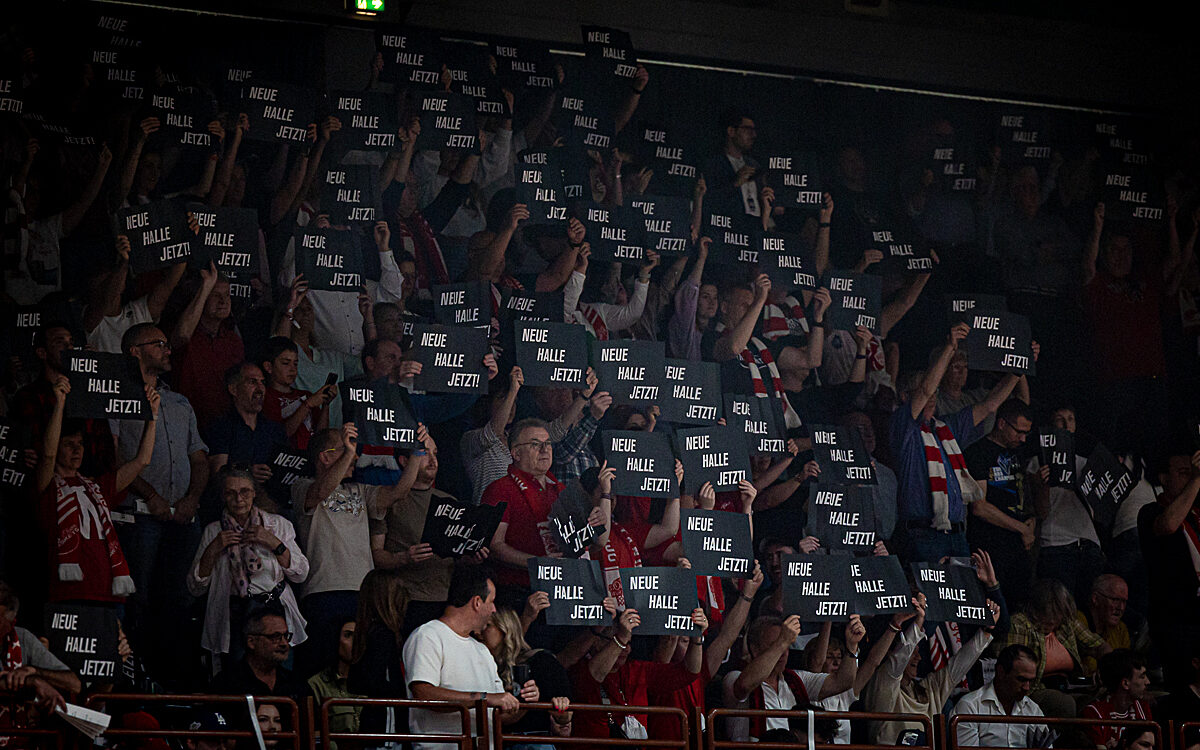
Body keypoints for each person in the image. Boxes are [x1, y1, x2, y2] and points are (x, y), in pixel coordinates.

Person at [115, 322, 210, 679]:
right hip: (139, 514)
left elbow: (199, 457)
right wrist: (152, 496)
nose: (168, 349)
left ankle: (173, 679)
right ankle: (137, 675)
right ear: (135, 351)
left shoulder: (179, 401)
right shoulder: (116, 396)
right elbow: (112, 458)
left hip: (183, 516)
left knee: (180, 599)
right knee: (139, 598)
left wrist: (193, 498)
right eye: (159, 343)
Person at [293, 423, 422, 677]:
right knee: (322, 668)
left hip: (362, 592)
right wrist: (348, 453)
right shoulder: (300, 486)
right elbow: (319, 491)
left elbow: (398, 492)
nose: (356, 456)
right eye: (345, 449)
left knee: (364, 668)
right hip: (322, 591)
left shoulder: (360, 490)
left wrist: (417, 454)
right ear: (325, 456)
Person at [890, 323, 1020, 562]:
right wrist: (949, 348)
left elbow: (990, 406)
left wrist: (1018, 368)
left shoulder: (945, 429)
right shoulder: (904, 427)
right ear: (906, 397)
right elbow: (929, 388)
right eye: (924, 393)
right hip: (922, 535)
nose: (932, 397)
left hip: (958, 534)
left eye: (935, 395)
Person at [35, 374, 156, 602]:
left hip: (108, 592)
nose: (77, 450)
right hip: (68, 594)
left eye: (80, 444)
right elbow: (48, 455)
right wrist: (60, 403)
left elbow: (142, 461)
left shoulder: (96, 487)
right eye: (69, 445)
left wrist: (153, 416)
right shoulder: (47, 485)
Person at [403, 567, 539, 750]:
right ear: (476, 602)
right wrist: (484, 698)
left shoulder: (481, 650)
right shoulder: (428, 635)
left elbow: (498, 715)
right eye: (491, 602)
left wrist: (523, 703)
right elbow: (424, 694)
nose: (493, 609)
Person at [188, 466, 309, 667]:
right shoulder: (214, 531)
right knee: (238, 675)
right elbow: (195, 587)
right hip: (235, 614)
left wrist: (273, 542)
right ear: (223, 496)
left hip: (273, 608)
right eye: (231, 493)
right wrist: (214, 548)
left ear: (254, 493)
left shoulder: (277, 525)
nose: (239, 498)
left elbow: (301, 574)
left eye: (244, 491)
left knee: (280, 671)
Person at [863, 593, 1001, 744]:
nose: (918, 657)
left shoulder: (929, 689)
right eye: (912, 652)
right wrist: (919, 621)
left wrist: (986, 631)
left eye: (918, 652)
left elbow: (957, 667)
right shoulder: (882, 685)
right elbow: (898, 660)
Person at [723, 614, 865, 741]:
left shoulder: (796, 679)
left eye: (787, 645)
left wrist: (852, 647)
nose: (784, 652)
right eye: (776, 644)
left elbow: (842, 682)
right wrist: (783, 641)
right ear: (754, 649)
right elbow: (745, 685)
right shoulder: (734, 677)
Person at [963, 397, 1041, 609]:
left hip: (1018, 548)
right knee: (993, 608)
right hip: (990, 547)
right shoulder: (977, 452)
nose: (1023, 438)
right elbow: (979, 507)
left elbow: (1024, 494)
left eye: (1027, 433)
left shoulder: (1017, 451)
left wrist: (1030, 520)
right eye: (1019, 431)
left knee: (1021, 607)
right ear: (1001, 424)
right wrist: (1021, 528)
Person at [998, 578, 1111, 716]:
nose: (1052, 620)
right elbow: (1013, 667)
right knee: (1064, 704)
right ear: (1035, 608)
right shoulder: (1020, 624)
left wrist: (1106, 669)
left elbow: (1099, 646)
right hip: (1034, 690)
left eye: (1057, 615)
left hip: (1070, 687)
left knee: (1096, 705)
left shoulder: (1065, 623)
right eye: (1047, 614)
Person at [482, 418, 567, 599]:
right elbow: (494, 546)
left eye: (548, 444)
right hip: (518, 590)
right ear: (516, 453)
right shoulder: (500, 489)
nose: (544, 450)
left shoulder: (562, 490)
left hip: (562, 591)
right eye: (535, 444)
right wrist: (538, 563)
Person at [1137, 446, 1200, 688]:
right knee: (1183, 687)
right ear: (1164, 478)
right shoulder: (1151, 511)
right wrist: (1197, 479)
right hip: (1174, 618)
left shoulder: (1196, 515)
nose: (1190, 476)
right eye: (1184, 472)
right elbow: (1169, 525)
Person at [479, 606, 572, 739]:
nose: (479, 632)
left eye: (487, 625)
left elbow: (567, 716)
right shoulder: (481, 664)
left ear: (505, 629)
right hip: (495, 740)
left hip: (534, 741)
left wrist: (559, 709)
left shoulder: (542, 661)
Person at [171, 265, 245, 432]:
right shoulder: (187, 333)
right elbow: (182, 336)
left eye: (227, 295)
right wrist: (205, 286)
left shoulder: (233, 340)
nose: (223, 301)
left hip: (223, 429)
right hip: (186, 425)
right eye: (215, 295)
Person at [204, 363, 288, 510]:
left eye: (262, 382)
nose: (260, 388)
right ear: (233, 389)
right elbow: (217, 472)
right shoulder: (221, 427)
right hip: (233, 508)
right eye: (252, 382)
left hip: (274, 510)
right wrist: (246, 472)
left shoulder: (274, 430)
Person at [950, 644, 1054, 748]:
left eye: (1030, 681)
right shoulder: (970, 706)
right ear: (1001, 672)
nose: (1027, 687)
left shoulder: (1033, 710)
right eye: (1021, 679)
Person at [347, 569, 409, 735]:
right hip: (387, 722)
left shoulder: (367, 631)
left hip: (375, 718)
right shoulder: (383, 634)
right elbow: (377, 680)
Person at [0, 580, 80, 700]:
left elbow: (74, 684)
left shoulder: (23, 637)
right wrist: (33, 682)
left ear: (12, 623)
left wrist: (35, 671)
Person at [209, 606, 306, 699]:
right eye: (275, 637)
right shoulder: (227, 683)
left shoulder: (295, 682)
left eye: (286, 636)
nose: (284, 643)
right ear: (251, 642)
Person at [260, 336, 336, 451]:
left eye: (295, 364)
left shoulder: (306, 395)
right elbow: (282, 434)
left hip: (309, 459)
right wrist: (308, 405)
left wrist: (326, 404)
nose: (292, 369)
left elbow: (320, 437)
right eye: (286, 363)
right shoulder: (265, 397)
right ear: (269, 367)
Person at [1082, 650, 1153, 750]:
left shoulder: (1143, 707)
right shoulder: (1093, 713)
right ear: (1125, 683)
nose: (1148, 682)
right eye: (1142, 676)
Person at [306, 617, 363, 742]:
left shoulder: (372, 683)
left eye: (359, 635)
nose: (356, 641)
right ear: (335, 640)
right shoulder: (317, 684)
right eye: (348, 635)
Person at [1076, 574, 1134, 675]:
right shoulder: (1077, 621)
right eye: (1115, 600)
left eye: (1124, 601)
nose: (1121, 607)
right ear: (1095, 599)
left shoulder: (1121, 629)